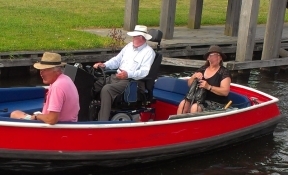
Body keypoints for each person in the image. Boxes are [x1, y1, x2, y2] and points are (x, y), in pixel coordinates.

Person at [93, 25, 156, 121]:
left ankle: (102, 122)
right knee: (93, 84)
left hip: (131, 81)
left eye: (135, 36)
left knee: (107, 89)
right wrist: (104, 65)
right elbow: (117, 60)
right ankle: (84, 113)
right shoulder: (129, 46)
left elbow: (144, 72)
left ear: (142, 38)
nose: (133, 38)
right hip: (117, 76)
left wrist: (128, 74)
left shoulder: (149, 52)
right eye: (133, 36)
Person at [10, 52, 80, 124]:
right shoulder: (66, 79)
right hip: (68, 123)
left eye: (45, 70)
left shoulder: (57, 87)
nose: (41, 73)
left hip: (56, 129)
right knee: (16, 113)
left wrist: (37, 116)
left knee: (14, 114)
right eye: (40, 70)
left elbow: (51, 120)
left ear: (56, 70)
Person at [177, 45, 231, 114]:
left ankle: (194, 125)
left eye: (215, 55)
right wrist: (194, 77)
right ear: (208, 58)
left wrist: (209, 87)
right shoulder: (203, 68)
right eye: (210, 56)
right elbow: (189, 84)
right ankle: (179, 123)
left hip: (216, 102)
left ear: (220, 58)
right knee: (183, 104)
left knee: (195, 108)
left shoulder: (224, 72)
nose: (212, 58)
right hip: (199, 99)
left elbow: (225, 92)